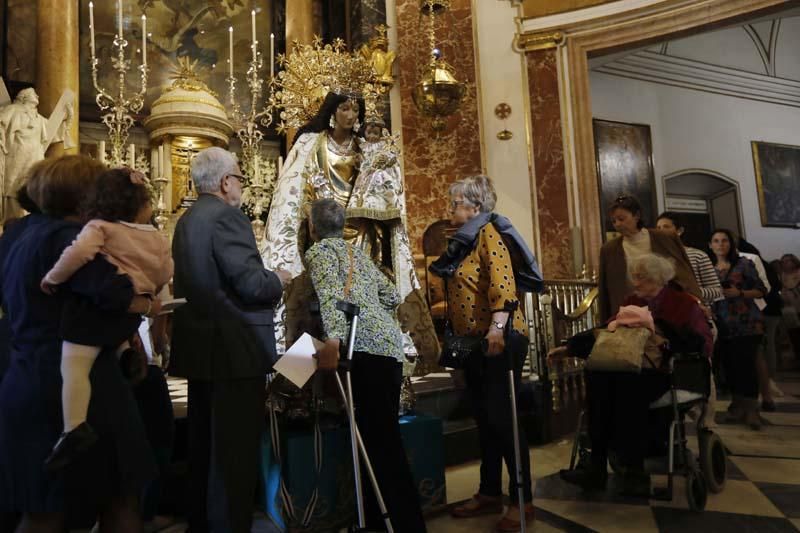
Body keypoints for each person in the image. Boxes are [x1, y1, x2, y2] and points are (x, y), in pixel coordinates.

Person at [0, 155, 157, 533]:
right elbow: (115, 294)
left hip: (26, 379)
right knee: (119, 497)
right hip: (84, 391)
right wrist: (145, 306)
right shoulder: (69, 239)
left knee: (42, 507)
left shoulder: (16, 236)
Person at [263, 91, 438, 373]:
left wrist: (380, 164)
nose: (351, 115)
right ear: (332, 111)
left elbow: (385, 189)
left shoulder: (367, 148)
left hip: (361, 233)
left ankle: (305, 380)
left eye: (355, 110)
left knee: (339, 303)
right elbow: (298, 189)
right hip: (323, 230)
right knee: (321, 303)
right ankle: (305, 385)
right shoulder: (311, 144)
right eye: (345, 108)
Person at [169, 147, 290, 533]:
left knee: (204, 447)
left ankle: (201, 523)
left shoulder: (187, 219)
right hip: (235, 350)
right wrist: (279, 280)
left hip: (201, 348)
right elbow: (252, 283)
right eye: (239, 177)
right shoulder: (227, 217)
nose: (240, 185)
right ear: (225, 182)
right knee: (233, 454)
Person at [40, 167, 173, 469]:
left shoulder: (99, 228)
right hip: (129, 316)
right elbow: (166, 271)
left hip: (94, 316)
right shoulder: (157, 236)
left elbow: (77, 255)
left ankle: (73, 427)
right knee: (115, 340)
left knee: (73, 364)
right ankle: (125, 353)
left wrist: (52, 278)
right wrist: (151, 291)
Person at [308, 199, 426, 533]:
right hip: (388, 350)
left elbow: (331, 295)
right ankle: (385, 519)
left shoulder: (319, 253)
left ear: (313, 228)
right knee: (384, 439)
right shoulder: (357, 254)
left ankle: (397, 525)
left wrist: (333, 339)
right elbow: (390, 294)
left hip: (361, 349)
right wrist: (372, 311)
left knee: (378, 442)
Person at [430, 175, 535, 532]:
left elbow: (503, 283)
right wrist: (455, 359)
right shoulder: (462, 242)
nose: (451, 208)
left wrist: (497, 329)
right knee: (483, 419)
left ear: (475, 206)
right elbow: (459, 305)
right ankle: (490, 491)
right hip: (470, 341)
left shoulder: (490, 232)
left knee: (502, 418)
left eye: (456, 202)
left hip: (499, 337)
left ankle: (524, 500)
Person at [559, 254, 712, 495]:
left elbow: (703, 343)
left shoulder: (684, 303)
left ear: (658, 278)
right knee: (598, 378)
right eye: (635, 277)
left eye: (642, 277)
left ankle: (634, 470)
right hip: (629, 368)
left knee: (627, 388)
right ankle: (596, 467)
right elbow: (607, 330)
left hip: (667, 373)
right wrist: (570, 347)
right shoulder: (632, 301)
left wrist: (667, 340)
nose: (636, 282)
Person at [598, 195, 700, 322]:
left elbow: (684, 271)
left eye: (621, 219)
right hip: (629, 311)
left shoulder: (664, 237)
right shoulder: (609, 249)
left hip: (667, 308)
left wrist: (696, 300)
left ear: (636, 216)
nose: (617, 224)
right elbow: (605, 290)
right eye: (614, 221)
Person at [709, 229, 766, 430]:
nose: (720, 244)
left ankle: (752, 410)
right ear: (710, 245)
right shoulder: (710, 268)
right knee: (730, 368)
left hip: (746, 323)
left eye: (724, 240)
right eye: (716, 241)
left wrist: (739, 292)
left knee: (746, 367)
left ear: (731, 244)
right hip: (722, 323)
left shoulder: (744, 264)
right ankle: (738, 407)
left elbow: (761, 290)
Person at [0, 87, 73, 221]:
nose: (38, 97)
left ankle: (28, 216)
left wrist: (67, 117)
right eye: (34, 94)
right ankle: (12, 220)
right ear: (24, 97)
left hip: (35, 155)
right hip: (18, 153)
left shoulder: (39, 118)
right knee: (14, 185)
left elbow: (56, 133)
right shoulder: (13, 109)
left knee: (32, 184)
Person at [655, 212, 723, 306]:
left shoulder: (698, 255)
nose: (661, 231)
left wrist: (690, 293)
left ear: (679, 230)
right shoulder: (655, 257)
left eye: (666, 227)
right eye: (658, 228)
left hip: (696, 311)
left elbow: (717, 291)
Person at [778, 253, 800, 361]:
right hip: (789, 309)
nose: (785, 263)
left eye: (788, 260)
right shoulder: (781, 275)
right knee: (794, 335)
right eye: (783, 261)